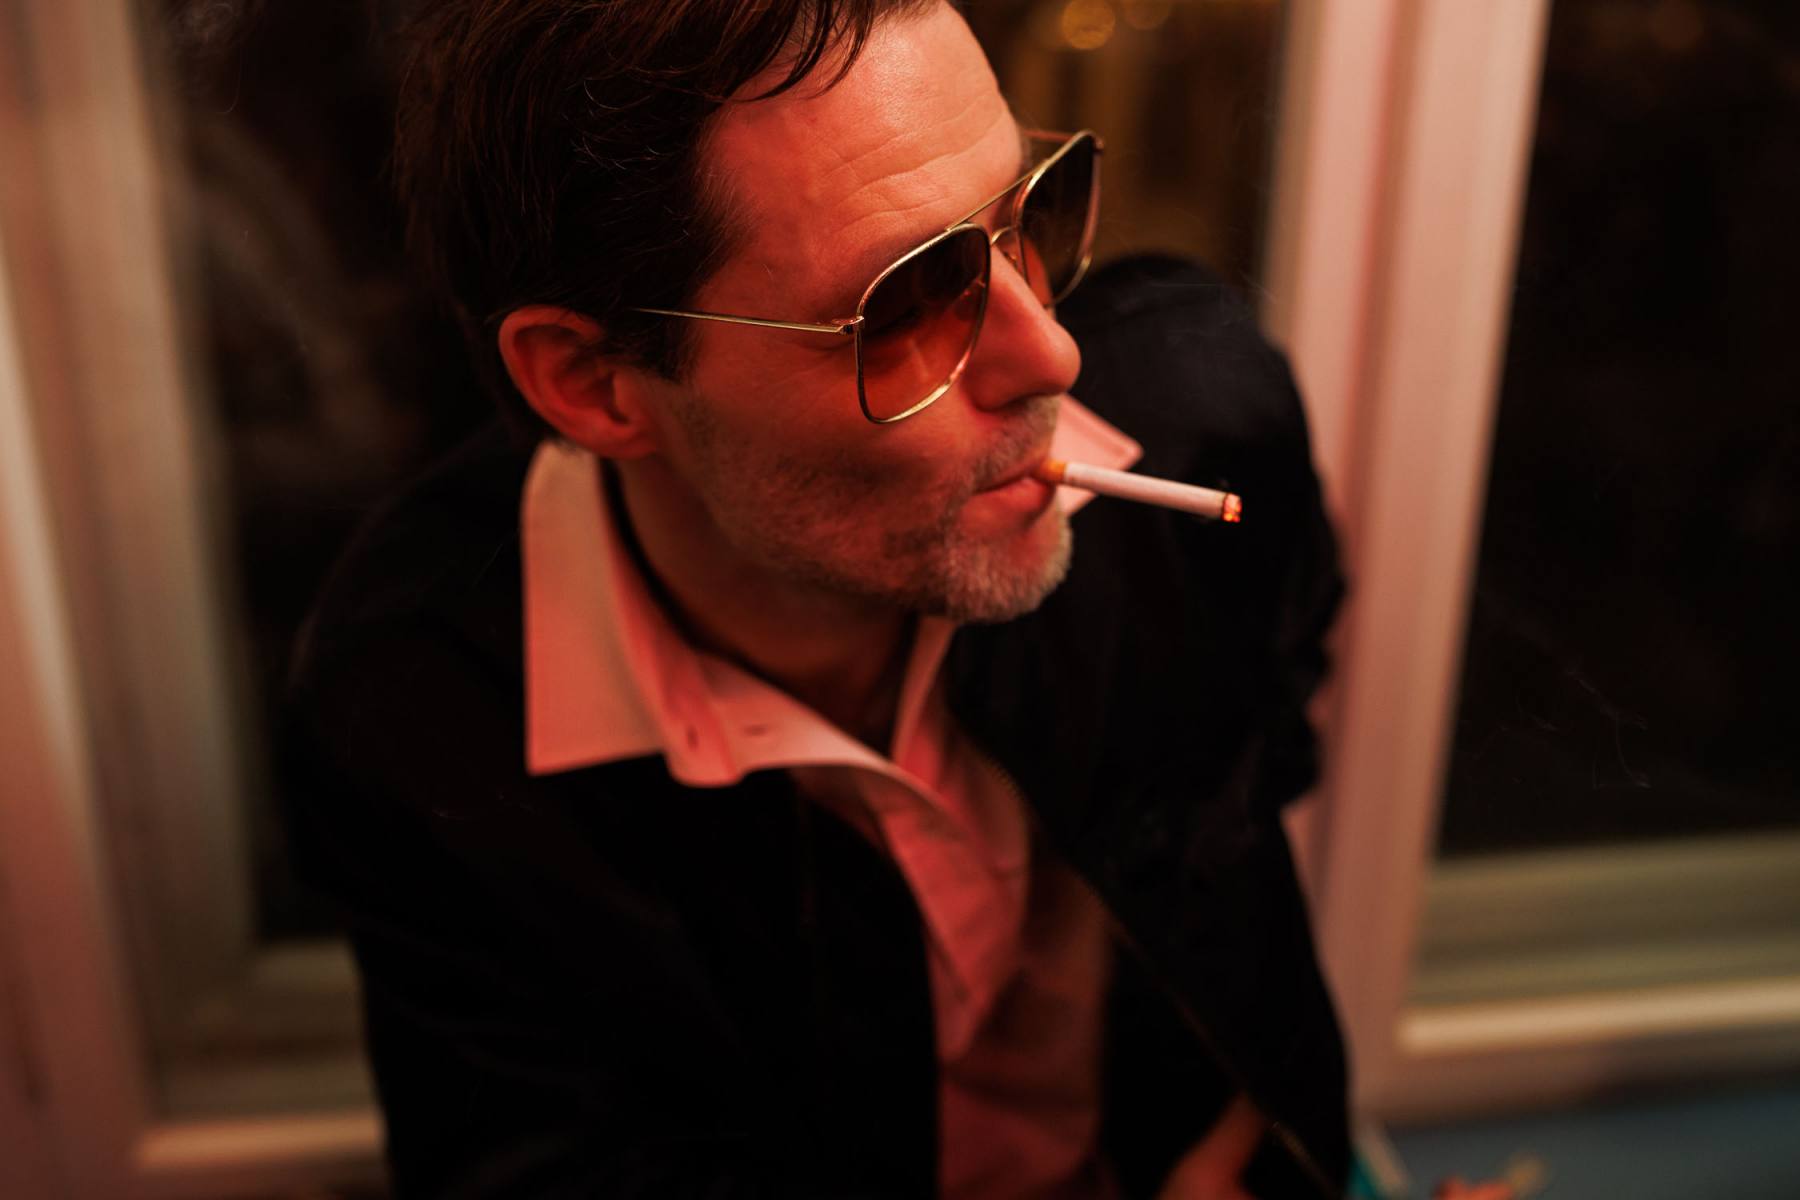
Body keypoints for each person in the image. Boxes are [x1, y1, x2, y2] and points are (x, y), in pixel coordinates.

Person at [281, 1, 1351, 1195]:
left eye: (1027, 211)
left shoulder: (1201, 420)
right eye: (908, 300)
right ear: (593, 382)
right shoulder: (424, 703)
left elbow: (1266, 743)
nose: (1053, 355)